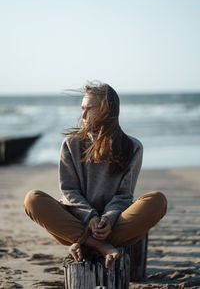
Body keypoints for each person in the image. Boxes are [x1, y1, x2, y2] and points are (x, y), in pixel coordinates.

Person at [24, 82, 167, 268]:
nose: (82, 115)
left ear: (107, 111)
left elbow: (123, 196)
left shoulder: (133, 147)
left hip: (114, 225)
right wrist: (90, 218)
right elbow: (69, 192)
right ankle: (100, 246)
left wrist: (107, 219)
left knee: (157, 200)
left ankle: (85, 242)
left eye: (89, 109)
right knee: (32, 200)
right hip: (77, 220)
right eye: (81, 108)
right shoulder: (71, 144)